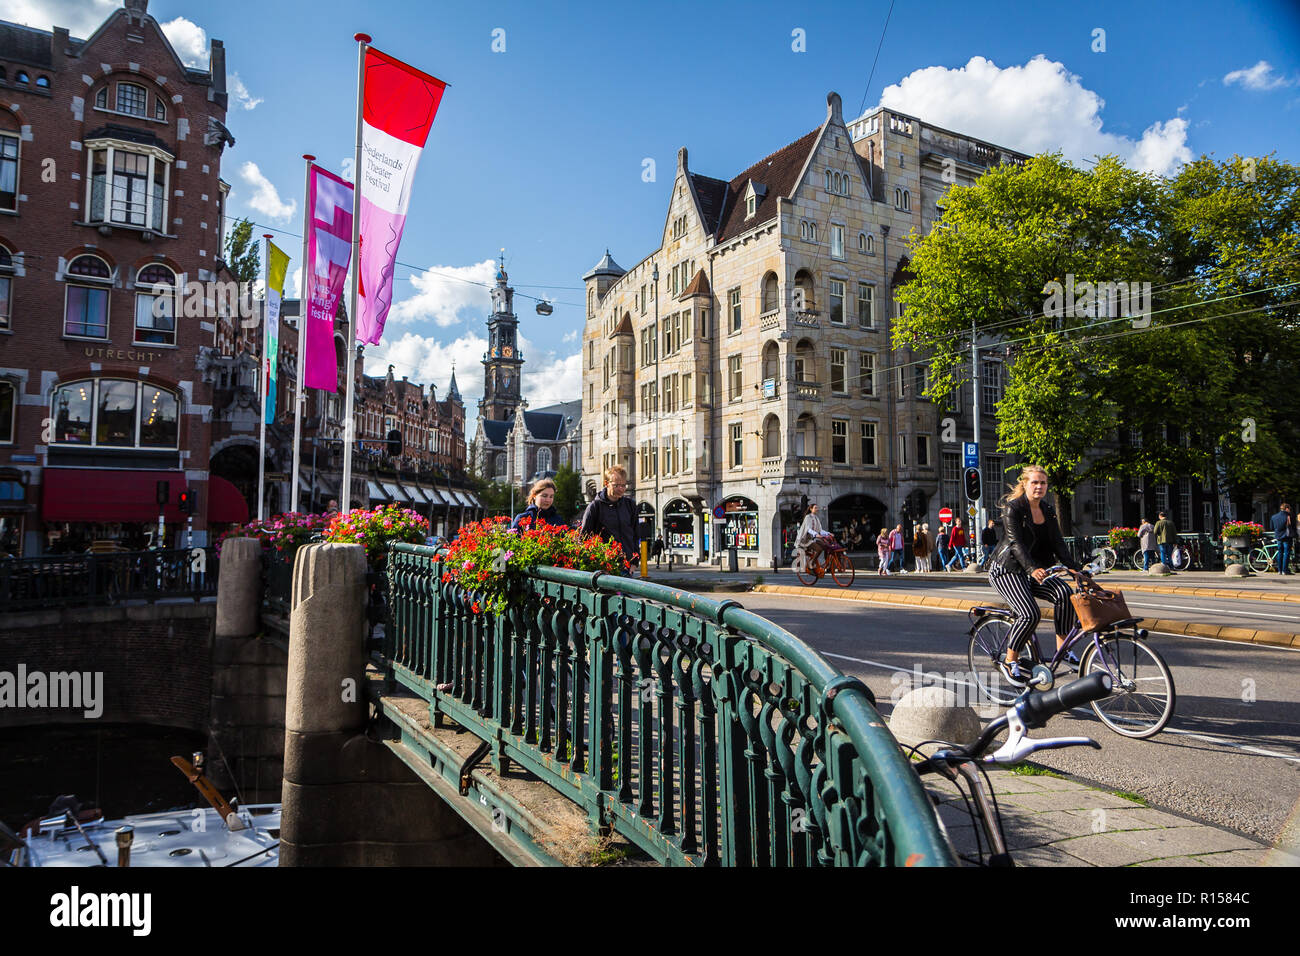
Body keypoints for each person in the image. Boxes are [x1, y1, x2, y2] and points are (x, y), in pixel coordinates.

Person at [986, 464, 1083, 685]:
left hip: (1034, 569)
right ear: (1025, 484)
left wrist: (1074, 568)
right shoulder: (1014, 509)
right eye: (1034, 482)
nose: (1039, 486)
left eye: (1043, 483)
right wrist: (1031, 569)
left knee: (1065, 594)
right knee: (1029, 613)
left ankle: (1063, 650)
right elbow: (1015, 543)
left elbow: (1058, 542)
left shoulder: (1047, 510)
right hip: (1007, 569)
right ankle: (1011, 660)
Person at [580, 465, 638, 569]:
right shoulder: (595, 507)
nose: (621, 489)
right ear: (606, 484)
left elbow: (635, 535)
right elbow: (584, 537)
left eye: (623, 485)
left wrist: (634, 562)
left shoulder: (630, 506)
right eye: (616, 486)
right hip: (604, 566)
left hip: (626, 566)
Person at [796, 503, 829, 568]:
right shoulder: (808, 517)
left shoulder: (816, 518)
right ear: (811, 509)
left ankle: (827, 564)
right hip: (805, 540)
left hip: (812, 539)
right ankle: (811, 563)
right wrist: (816, 534)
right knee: (819, 550)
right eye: (815, 508)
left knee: (826, 546)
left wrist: (828, 533)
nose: (817, 509)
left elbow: (820, 530)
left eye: (817, 508)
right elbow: (808, 529)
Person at [1271, 503, 1296, 575]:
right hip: (1287, 536)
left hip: (1278, 537)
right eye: (1289, 509)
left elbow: (1272, 527)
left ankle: (1280, 570)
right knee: (1286, 553)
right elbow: (1293, 527)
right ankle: (1285, 570)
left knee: (1280, 552)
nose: (1290, 511)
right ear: (1287, 509)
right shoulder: (1288, 516)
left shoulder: (1274, 517)